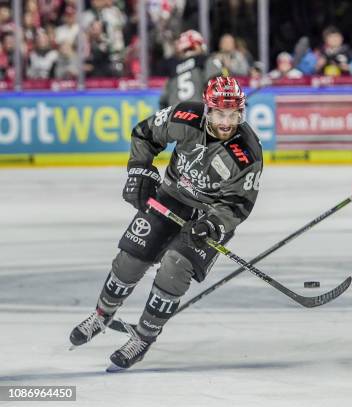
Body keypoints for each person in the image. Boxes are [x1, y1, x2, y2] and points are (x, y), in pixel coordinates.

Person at [69, 77, 263, 371]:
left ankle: (144, 337)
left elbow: (238, 205)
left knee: (174, 268)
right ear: (208, 109)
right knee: (130, 259)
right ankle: (101, 315)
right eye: (221, 114)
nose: (227, 122)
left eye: (233, 114)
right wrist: (139, 170)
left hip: (207, 215)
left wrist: (212, 224)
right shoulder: (185, 116)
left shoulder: (247, 153)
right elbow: (145, 134)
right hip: (171, 196)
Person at [159, 30, 208, 109]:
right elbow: (218, 83)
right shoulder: (205, 60)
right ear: (196, 45)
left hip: (175, 117)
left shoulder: (173, 67)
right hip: (198, 114)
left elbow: (163, 100)